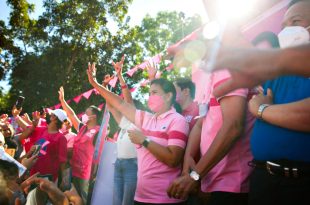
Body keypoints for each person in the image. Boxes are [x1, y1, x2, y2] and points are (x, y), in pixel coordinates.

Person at [87, 62, 189, 205]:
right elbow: (120, 104)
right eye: (149, 93)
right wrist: (96, 84)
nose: (150, 97)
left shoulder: (178, 121)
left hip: (165, 199)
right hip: (140, 198)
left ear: (168, 96)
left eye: (154, 93)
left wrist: (144, 141)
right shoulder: (145, 118)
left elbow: (173, 159)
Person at [244, 1, 310, 204]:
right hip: (263, 179)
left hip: (302, 185)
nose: (287, 30)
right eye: (283, 26)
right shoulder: (278, 72)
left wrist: (261, 109)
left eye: (296, 22)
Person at [167, 67, 255, 205]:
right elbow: (201, 123)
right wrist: (188, 157)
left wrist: (194, 176)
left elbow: (233, 127)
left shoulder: (227, 68)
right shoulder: (207, 76)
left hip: (232, 182)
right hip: (211, 179)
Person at [58, 87, 101, 204]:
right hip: (72, 169)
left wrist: (95, 175)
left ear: (94, 117)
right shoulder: (82, 127)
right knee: (68, 198)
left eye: (87, 113)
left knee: (82, 200)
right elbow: (71, 114)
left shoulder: (99, 132)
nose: (84, 115)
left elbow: (100, 155)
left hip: (85, 175)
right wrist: (62, 100)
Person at [12, 108, 68, 187]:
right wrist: (16, 116)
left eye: (51, 115)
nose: (48, 115)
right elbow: (27, 127)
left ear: (54, 118)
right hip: (33, 174)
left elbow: (63, 162)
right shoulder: (42, 130)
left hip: (47, 178)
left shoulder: (61, 138)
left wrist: (64, 181)